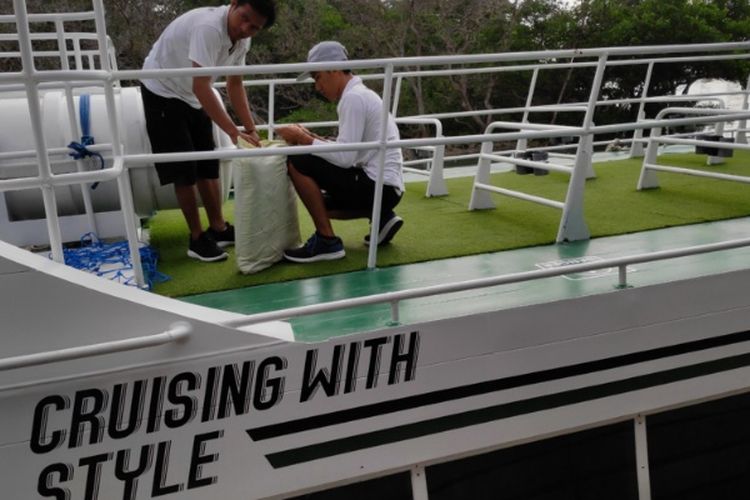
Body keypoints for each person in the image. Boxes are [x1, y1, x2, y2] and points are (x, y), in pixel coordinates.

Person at [140, 0, 276, 262]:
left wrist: (250, 128)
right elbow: (202, 85)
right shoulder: (209, 28)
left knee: (208, 162)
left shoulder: (242, 40)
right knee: (184, 169)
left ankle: (219, 228)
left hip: (191, 94)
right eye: (244, 18)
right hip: (162, 89)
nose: (246, 28)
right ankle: (197, 238)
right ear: (234, 4)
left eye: (254, 27)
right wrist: (234, 133)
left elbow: (235, 83)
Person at [276, 41, 405, 263]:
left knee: (297, 159)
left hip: (377, 187)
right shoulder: (360, 94)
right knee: (321, 203)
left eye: (317, 77)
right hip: (389, 188)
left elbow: (344, 158)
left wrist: (303, 140)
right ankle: (382, 217)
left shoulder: (353, 98)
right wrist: (311, 138)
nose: (317, 87)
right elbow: (349, 148)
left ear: (334, 68)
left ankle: (327, 241)